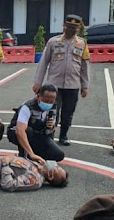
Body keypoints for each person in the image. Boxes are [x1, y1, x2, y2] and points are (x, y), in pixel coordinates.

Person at [33, 14, 90, 146]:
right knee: (52, 112)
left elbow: (85, 65)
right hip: (54, 85)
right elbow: (43, 62)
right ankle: (49, 134)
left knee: (68, 112)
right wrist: (38, 82)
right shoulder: (53, 41)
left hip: (73, 85)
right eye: (69, 26)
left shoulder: (82, 43)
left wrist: (85, 85)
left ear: (79, 28)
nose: (71, 29)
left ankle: (63, 135)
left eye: (74, 27)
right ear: (64, 26)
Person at [7, 84, 64, 163]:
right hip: (18, 132)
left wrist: (51, 127)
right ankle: (24, 157)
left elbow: (49, 133)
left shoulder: (53, 106)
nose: (48, 104)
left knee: (58, 154)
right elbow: (20, 131)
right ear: (38, 97)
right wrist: (31, 154)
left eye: (51, 101)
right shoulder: (28, 107)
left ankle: (36, 157)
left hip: (38, 133)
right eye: (45, 101)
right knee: (28, 131)